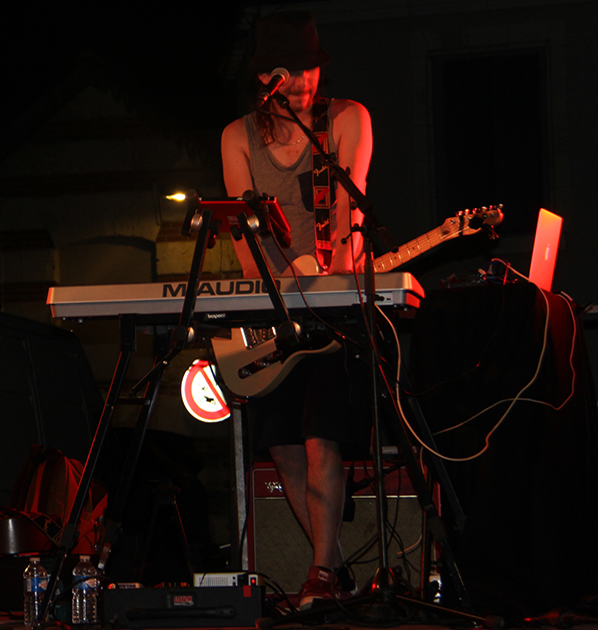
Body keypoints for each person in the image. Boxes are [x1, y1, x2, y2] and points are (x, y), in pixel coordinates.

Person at [220, 11, 374, 609]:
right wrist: (272, 286)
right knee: (282, 445)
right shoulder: (237, 138)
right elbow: (243, 234)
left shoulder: (347, 120)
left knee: (320, 439)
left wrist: (333, 274)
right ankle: (332, 571)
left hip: (332, 307)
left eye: (311, 69)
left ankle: (320, 573)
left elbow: (348, 213)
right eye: (292, 72)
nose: (306, 82)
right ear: (266, 79)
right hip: (274, 310)